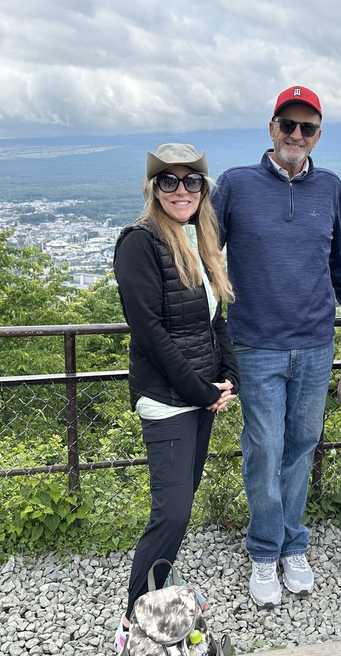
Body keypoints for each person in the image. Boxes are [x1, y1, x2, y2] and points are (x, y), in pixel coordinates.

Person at [212, 86, 341, 608]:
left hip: (314, 344)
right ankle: (265, 550)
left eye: (306, 128)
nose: (296, 135)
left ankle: (294, 544)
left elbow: (338, 263)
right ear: (271, 129)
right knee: (265, 448)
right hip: (256, 343)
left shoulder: (330, 186)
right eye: (287, 125)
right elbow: (208, 252)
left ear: (317, 135)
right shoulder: (236, 184)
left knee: (300, 448)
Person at [112, 143, 239, 651]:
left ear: (204, 190)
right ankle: (131, 622)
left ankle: (157, 600)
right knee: (172, 512)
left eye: (192, 182)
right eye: (169, 181)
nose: (181, 190)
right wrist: (201, 390)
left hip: (200, 396)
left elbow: (215, 321)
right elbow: (149, 331)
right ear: (153, 189)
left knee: (179, 504)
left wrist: (230, 378)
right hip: (169, 401)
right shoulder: (139, 242)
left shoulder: (197, 238)